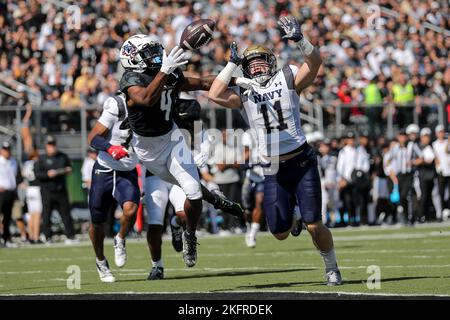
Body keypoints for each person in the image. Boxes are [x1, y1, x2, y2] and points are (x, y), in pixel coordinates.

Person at [208, 15, 342, 285]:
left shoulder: (288, 77)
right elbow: (213, 94)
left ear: (271, 63)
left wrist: (300, 40)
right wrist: (232, 63)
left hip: (301, 161)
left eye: (260, 61)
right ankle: (293, 217)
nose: (256, 67)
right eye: (250, 63)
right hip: (273, 167)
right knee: (279, 232)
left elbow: (315, 63)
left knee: (314, 223)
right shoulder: (243, 93)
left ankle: (332, 268)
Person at [118, 34, 236, 268]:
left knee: (193, 192)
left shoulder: (169, 73)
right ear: (133, 58)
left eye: (155, 50)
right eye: (147, 53)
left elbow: (203, 83)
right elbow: (146, 99)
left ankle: (190, 234)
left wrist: (236, 74)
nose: (155, 56)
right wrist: (164, 71)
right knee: (177, 197)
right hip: (147, 150)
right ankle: (156, 263)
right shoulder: (131, 78)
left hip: (172, 139)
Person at [87, 93, 140, 282]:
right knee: (97, 221)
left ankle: (120, 238)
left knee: (131, 210)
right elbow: (92, 138)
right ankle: (101, 261)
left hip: (128, 169)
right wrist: (111, 148)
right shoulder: (117, 104)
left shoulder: (154, 103)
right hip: (105, 168)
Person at [241, 131, 265, 248]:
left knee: (260, 202)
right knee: (247, 209)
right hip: (251, 176)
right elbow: (245, 153)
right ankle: (249, 228)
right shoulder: (248, 134)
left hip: (265, 175)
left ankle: (253, 234)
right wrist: (245, 162)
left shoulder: (270, 131)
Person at [0, 142, 22, 248]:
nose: (7, 152)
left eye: (8, 149)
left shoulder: (14, 161)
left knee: (7, 218)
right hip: (0, 193)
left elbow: (18, 177)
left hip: (11, 192)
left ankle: (6, 238)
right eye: (5, 149)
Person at [432, 125, 450, 217]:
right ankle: (441, 211)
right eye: (439, 132)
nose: (441, 134)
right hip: (441, 171)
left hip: (449, 170)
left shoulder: (447, 142)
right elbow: (436, 158)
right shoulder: (434, 144)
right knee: (441, 193)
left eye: (442, 132)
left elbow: (447, 151)